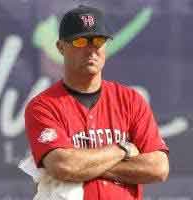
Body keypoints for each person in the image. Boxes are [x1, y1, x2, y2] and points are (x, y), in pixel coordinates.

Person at [24, 5, 169, 200]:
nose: (91, 49)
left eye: (99, 41)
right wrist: (123, 149)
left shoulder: (131, 100)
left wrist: (83, 166)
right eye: (81, 41)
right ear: (60, 47)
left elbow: (158, 167)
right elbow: (63, 166)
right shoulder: (43, 106)